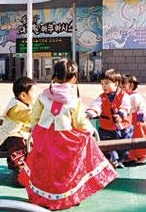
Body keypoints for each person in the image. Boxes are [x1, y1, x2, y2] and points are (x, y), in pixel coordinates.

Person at [18, 59, 117, 210]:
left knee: (44, 167)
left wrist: (36, 131)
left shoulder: (44, 95)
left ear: (54, 75)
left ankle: (41, 197)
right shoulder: (73, 99)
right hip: (65, 140)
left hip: (44, 137)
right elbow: (79, 123)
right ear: (74, 77)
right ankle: (68, 197)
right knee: (67, 169)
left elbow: (35, 118)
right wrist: (90, 131)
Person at [86, 69, 133, 168]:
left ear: (116, 83)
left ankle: (120, 160)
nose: (104, 86)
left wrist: (120, 114)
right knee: (108, 147)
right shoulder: (102, 97)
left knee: (124, 147)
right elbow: (96, 105)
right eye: (102, 84)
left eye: (106, 83)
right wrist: (90, 114)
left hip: (123, 128)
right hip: (106, 128)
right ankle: (113, 160)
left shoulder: (124, 96)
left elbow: (126, 106)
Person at [0, 76, 38, 187]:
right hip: (9, 137)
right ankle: (19, 174)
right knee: (19, 148)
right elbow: (28, 116)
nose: (36, 95)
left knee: (33, 147)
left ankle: (30, 171)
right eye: (34, 92)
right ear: (23, 95)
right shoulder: (15, 107)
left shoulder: (26, 103)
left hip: (22, 135)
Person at [121, 74, 146, 165]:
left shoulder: (135, 96)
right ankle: (131, 155)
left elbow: (141, 107)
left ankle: (143, 155)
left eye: (123, 86)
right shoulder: (125, 95)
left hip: (137, 120)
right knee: (130, 136)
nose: (121, 88)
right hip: (129, 118)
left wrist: (140, 117)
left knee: (140, 136)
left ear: (131, 85)